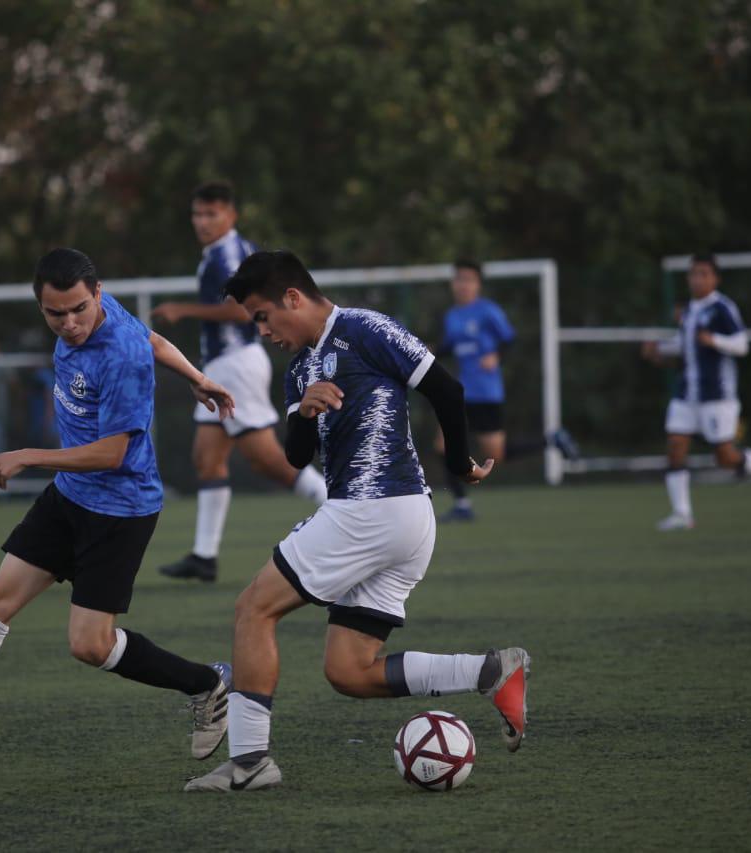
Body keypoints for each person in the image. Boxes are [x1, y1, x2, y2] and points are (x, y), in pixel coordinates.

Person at [0, 248, 238, 767]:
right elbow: (156, 337)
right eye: (56, 314)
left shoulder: (118, 351)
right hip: (70, 497)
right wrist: (194, 373)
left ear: (96, 294)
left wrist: (29, 456)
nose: (70, 323)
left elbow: (113, 452)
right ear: (42, 306)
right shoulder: (102, 311)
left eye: (79, 309)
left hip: (120, 510)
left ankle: (207, 684)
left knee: (89, 646)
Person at [183, 250, 530, 793]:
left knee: (253, 608)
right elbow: (297, 458)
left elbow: (446, 388)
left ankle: (250, 765)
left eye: (263, 316)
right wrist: (303, 410)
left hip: (374, 509)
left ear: (292, 298)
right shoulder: (300, 366)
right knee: (349, 670)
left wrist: (460, 463)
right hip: (401, 520)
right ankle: (488, 671)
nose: (264, 331)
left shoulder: (364, 328)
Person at [151, 182, 327, 583]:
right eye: (198, 214)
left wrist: (183, 309)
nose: (203, 222)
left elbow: (240, 312)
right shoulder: (221, 252)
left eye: (211, 214)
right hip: (222, 365)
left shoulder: (229, 252)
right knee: (206, 458)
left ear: (231, 215)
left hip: (235, 363)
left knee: (265, 459)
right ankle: (204, 556)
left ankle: (334, 503)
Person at [642, 253, 751, 531]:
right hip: (687, 393)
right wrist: (658, 350)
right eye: (693, 273)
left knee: (724, 457)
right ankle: (682, 513)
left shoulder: (722, 307)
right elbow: (685, 346)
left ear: (715, 278)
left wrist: (714, 339)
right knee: (675, 446)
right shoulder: (688, 311)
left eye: (703, 273)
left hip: (717, 394)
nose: (697, 279)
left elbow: (742, 344)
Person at [437, 259, 578, 521]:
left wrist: (496, 356)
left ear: (477, 284)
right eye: (459, 279)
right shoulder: (451, 316)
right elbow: (448, 348)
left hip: (487, 392)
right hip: (461, 393)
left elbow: (510, 340)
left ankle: (551, 440)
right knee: (443, 445)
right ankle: (462, 505)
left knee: (496, 455)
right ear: (453, 284)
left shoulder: (488, 311)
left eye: (468, 280)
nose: (463, 285)